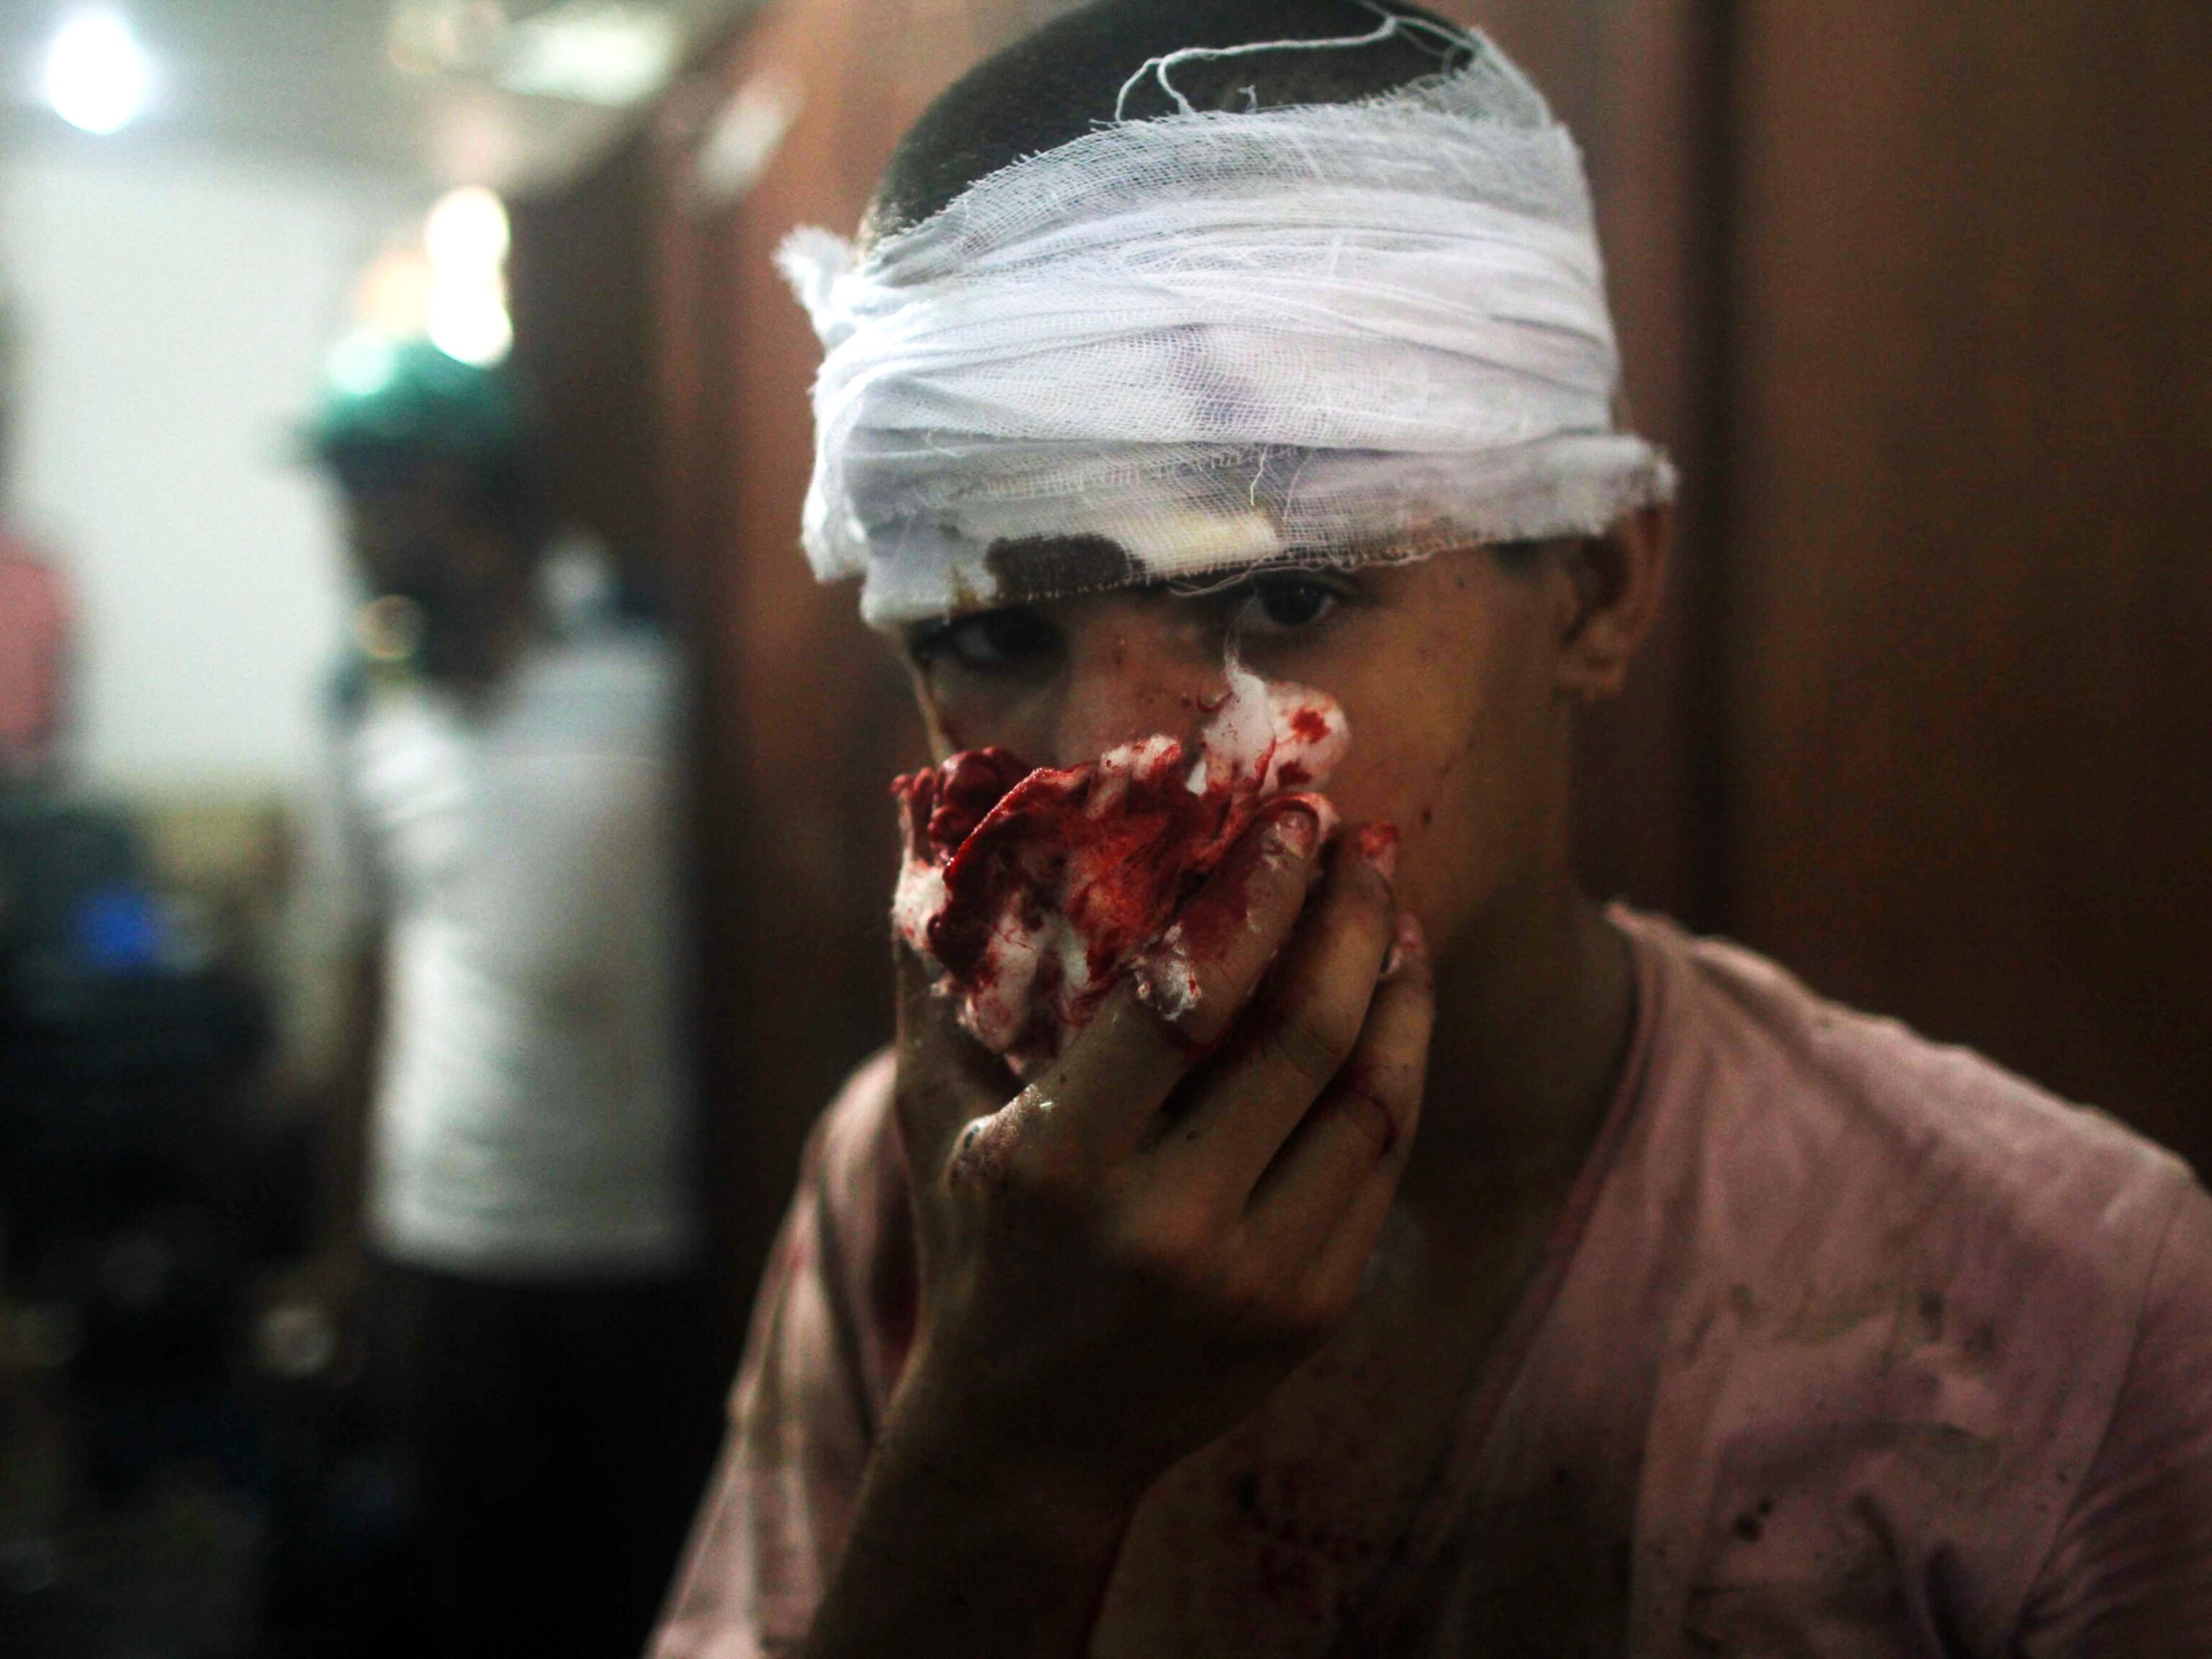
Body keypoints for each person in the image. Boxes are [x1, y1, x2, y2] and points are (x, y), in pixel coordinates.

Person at [652, 3, 2212, 1655]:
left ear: (1596, 587)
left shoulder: (2065, 1333)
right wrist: (1002, 1456)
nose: (1115, 764)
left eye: (1287, 594)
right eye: (989, 635)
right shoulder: (927, 1199)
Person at [296, 336, 719, 1659]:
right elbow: (361, 971)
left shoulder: (650, 650)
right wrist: (343, 1240)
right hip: (451, 1241)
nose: (351, 536)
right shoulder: (359, 705)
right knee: (484, 1603)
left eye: (374, 493)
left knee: (651, 1593)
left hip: (647, 1238)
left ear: (466, 489)